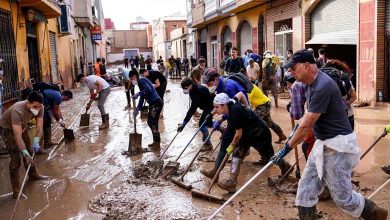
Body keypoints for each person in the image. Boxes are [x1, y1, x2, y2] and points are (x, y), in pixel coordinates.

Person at [275, 49, 388, 220]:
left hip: (338, 146)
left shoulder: (322, 87)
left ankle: (377, 215)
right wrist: (293, 136)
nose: (290, 72)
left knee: (344, 199)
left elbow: (306, 125)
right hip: (323, 143)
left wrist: (286, 148)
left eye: (293, 68)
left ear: (306, 66)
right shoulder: (310, 84)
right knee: (305, 190)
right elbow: (306, 119)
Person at [211, 93, 291, 192]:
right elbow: (239, 96)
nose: (215, 109)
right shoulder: (229, 108)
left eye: (217, 107)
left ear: (224, 105)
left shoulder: (234, 111)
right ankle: (232, 182)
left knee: (270, 156)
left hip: (260, 133)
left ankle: (285, 166)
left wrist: (231, 145)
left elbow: (238, 133)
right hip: (247, 134)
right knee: (237, 154)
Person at [0, 91, 48, 198]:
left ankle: (33, 174)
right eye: (35, 106)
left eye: (39, 107)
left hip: (22, 126)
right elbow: (17, 136)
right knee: (16, 158)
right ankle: (16, 191)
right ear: (28, 103)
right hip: (7, 129)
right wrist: (24, 153)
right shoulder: (17, 110)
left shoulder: (40, 107)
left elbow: (39, 128)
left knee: (30, 151)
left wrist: (36, 141)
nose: (37, 109)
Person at [178, 78, 214, 151]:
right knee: (208, 123)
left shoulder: (197, 91)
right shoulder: (193, 89)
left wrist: (184, 123)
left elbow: (192, 109)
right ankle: (220, 128)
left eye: (186, 88)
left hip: (209, 106)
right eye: (184, 88)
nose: (185, 90)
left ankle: (208, 144)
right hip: (205, 105)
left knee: (202, 124)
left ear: (190, 85)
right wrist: (184, 123)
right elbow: (193, 107)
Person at [131, 69, 163, 149]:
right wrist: (138, 109)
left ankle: (157, 143)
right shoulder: (140, 83)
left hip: (156, 103)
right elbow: (142, 97)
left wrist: (138, 93)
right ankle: (156, 141)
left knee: (153, 122)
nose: (132, 81)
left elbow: (148, 89)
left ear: (135, 76)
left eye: (131, 79)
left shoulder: (142, 80)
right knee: (150, 122)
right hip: (154, 103)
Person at [35, 83, 73, 150]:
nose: (66, 101)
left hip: (43, 106)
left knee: (48, 123)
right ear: (66, 96)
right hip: (39, 106)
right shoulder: (58, 97)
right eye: (67, 99)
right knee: (42, 126)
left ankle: (48, 142)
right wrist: (59, 121)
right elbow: (55, 111)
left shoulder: (58, 94)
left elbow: (57, 109)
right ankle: (38, 147)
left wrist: (61, 119)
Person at [322, 59, 357, 130]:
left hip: (329, 117)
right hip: (347, 115)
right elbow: (354, 97)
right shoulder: (345, 80)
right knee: (348, 138)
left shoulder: (322, 82)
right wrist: (345, 104)